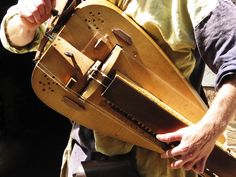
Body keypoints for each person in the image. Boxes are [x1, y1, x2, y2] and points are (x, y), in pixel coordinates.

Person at [1, 0, 236, 177]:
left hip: (162, 164)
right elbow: (16, 38)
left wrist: (210, 129)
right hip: (87, 158)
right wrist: (25, 21)